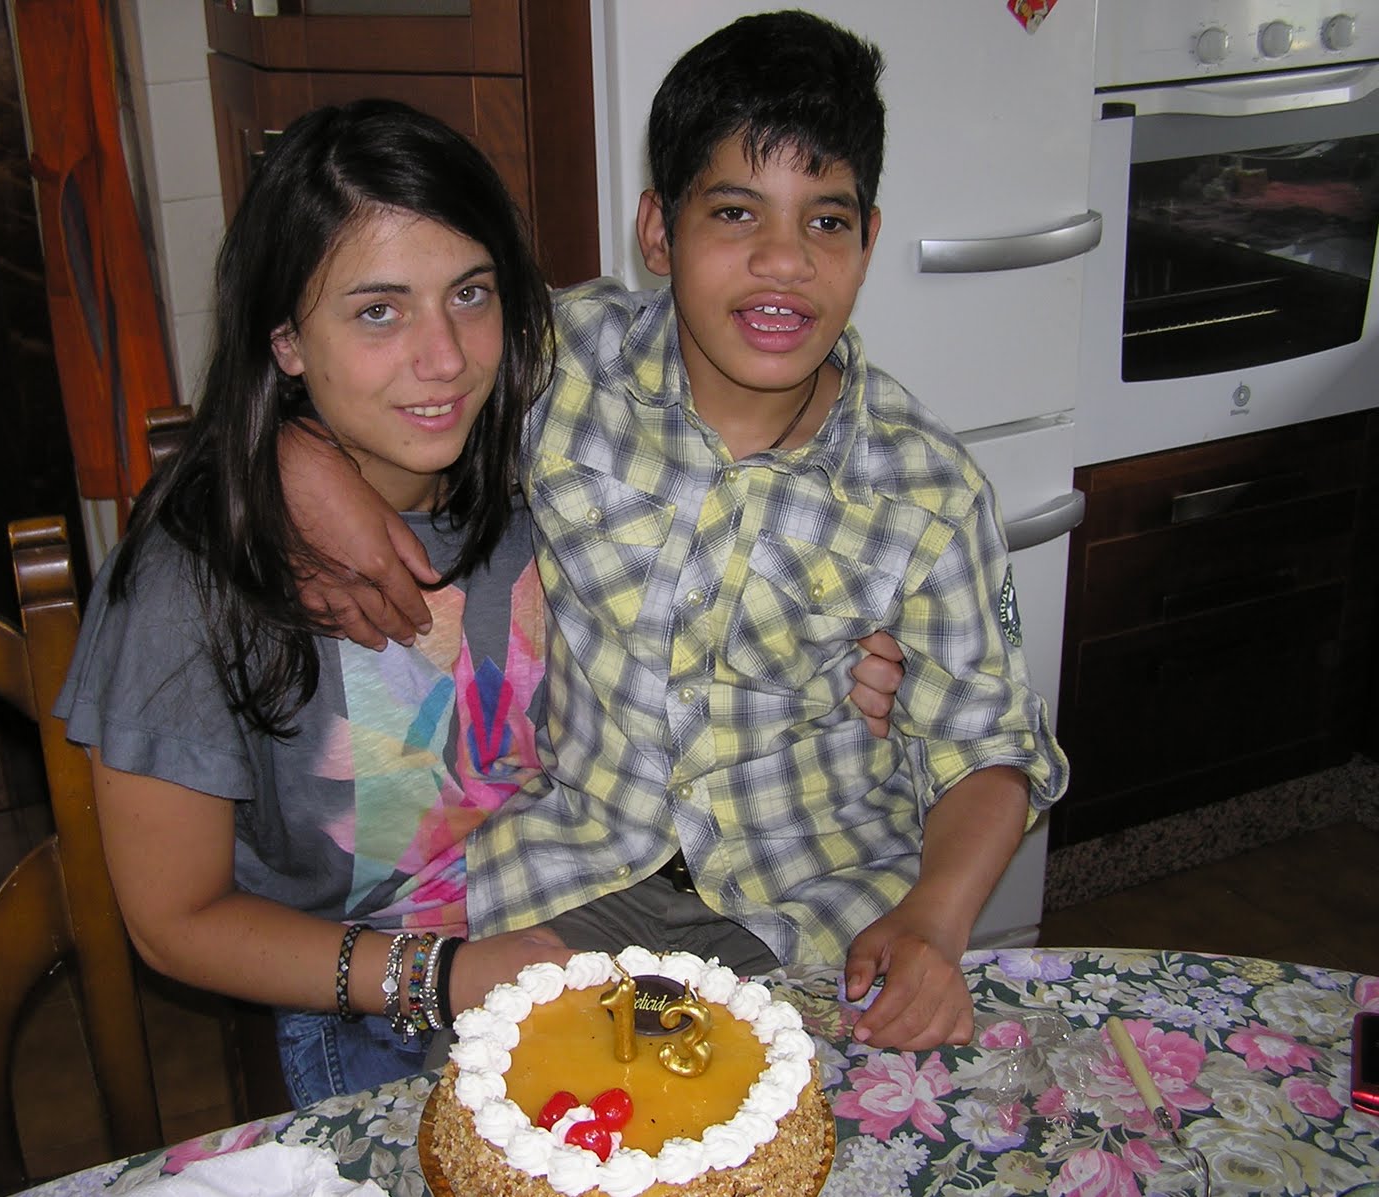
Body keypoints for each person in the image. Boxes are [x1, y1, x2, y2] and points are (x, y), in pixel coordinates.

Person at [281, 11, 1069, 1052]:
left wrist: (934, 918)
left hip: (815, 917)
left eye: (827, 222)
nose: (783, 262)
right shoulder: (561, 365)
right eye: (736, 213)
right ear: (658, 232)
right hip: (570, 889)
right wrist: (300, 458)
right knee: (531, 1112)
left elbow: (990, 748)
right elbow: (393, 384)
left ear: (869, 242)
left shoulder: (926, 491)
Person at [54, 100, 581, 1106]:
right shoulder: (187, 586)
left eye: (470, 294)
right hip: (367, 994)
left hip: (574, 919)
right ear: (287, 340)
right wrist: (444, 977)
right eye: (378, 311)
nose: (445, 357)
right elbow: (174, 920)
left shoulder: (558, 470)